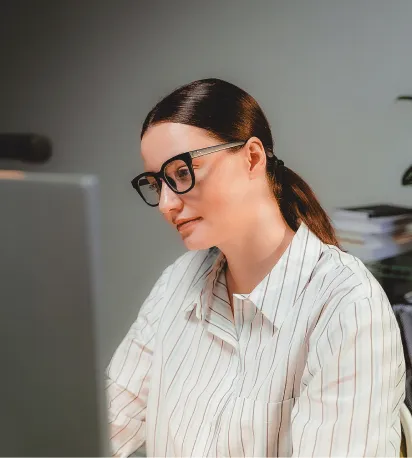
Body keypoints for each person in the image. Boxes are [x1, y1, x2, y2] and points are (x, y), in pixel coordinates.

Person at [106, 78, 405, 457]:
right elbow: (107, 423)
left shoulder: (347, 305)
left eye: (182, 173)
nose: (166, 203)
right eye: (156, 183)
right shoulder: (176, 284)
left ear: (252, 158)